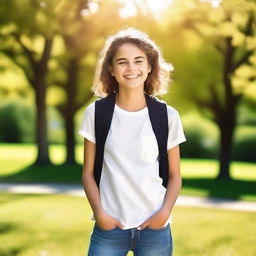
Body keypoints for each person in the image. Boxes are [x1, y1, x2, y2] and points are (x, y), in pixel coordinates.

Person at [78, 27, 186, 256]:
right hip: (109, 228)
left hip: (155, 229)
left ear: (149, 67)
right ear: (111, 69)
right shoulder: (96, 113)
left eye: (138, 61)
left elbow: (175, 175)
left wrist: (163, 214)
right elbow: (88, 173)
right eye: (122, 62)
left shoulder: (168, 116)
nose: (131, 68)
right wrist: (100, 214)